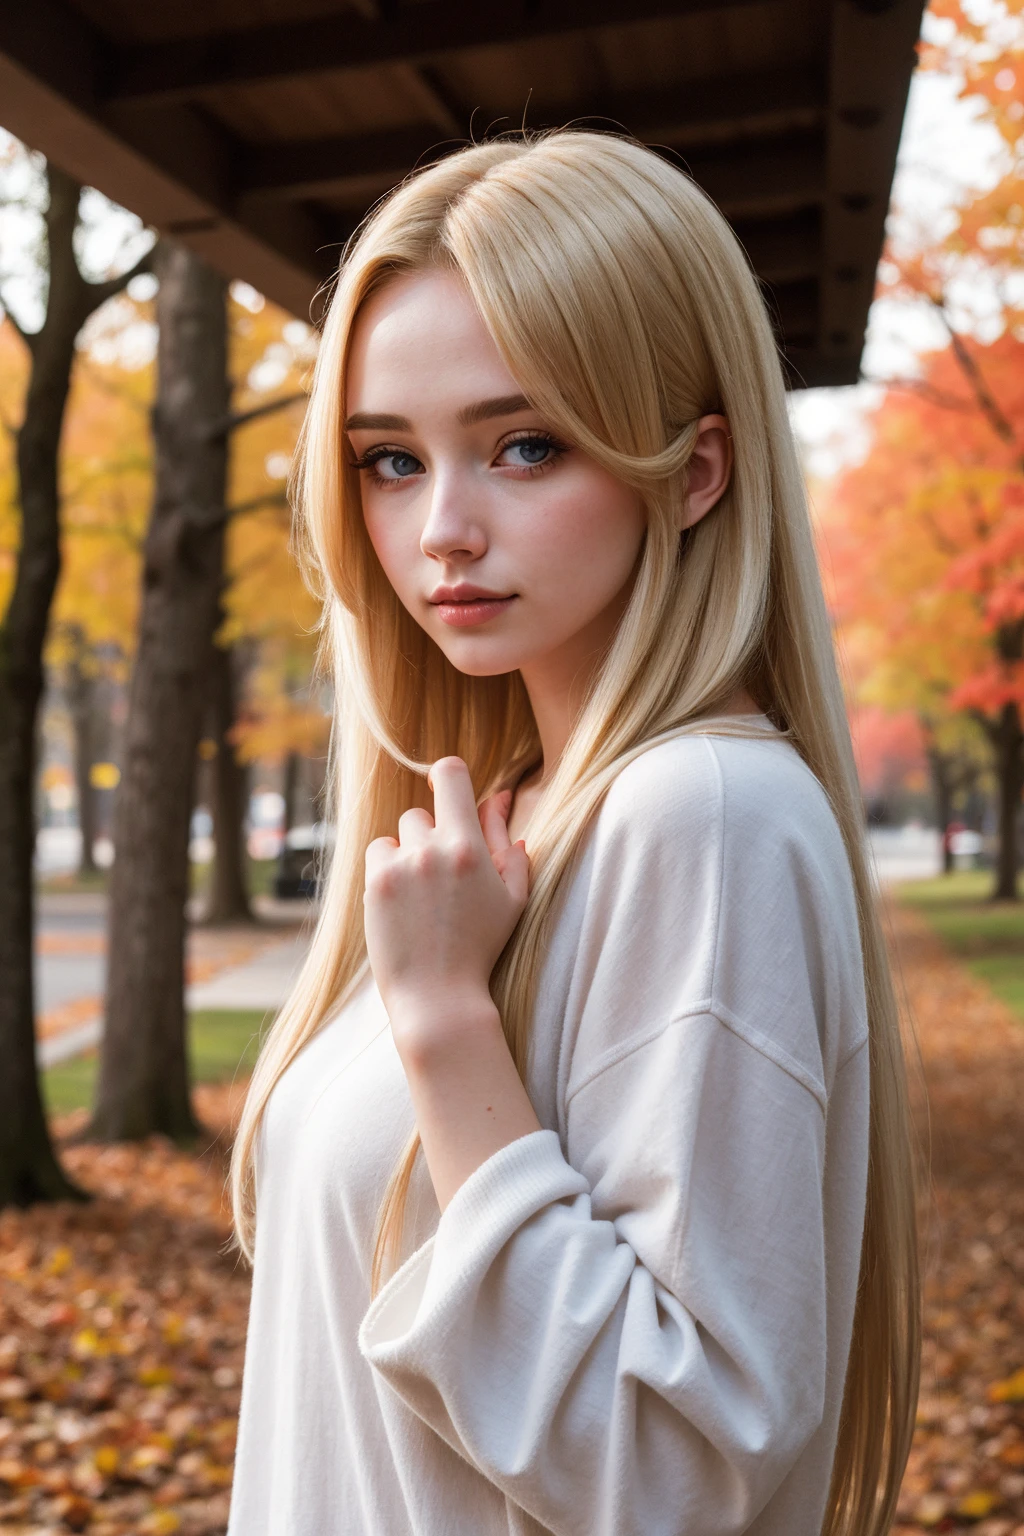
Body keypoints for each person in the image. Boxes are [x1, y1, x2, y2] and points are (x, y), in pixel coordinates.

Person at [226, 131, 920, 1536]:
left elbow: (678, 1471)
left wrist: (441, 1025)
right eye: (389, 462)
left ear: (699, 470)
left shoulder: (705, 814)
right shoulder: (509, 822)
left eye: (523, 445)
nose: (442, 532)